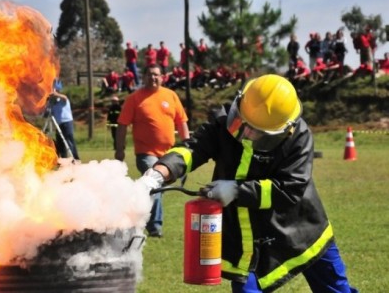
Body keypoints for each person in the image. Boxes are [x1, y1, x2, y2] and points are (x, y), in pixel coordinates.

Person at [137, 74, 358, 292]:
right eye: (242, 122)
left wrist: (236, 190)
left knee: (337, 289)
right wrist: (156, 175)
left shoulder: (298, 137)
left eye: (257, 131)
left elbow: (289, 189)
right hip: (248, 241)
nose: (246, 132)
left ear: (282, 130)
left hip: (301, 228)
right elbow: (192, 149)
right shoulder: (223, 125)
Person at [114, 64, 190, 237]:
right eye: (149, 74)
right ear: (144, 77)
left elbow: (182, 121)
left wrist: (187, 144)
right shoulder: (134, 98)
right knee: (156, 183)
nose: (153, 78)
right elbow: (122, 125)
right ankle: (155, 227)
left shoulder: (170, 96)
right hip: (146, 153)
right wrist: (120, 149)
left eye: (156, 75)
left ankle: (131, 215)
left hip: (168, 154)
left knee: (153, 187)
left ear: (162, 77)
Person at [49, 84, 80, 162]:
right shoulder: (53, 103)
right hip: (58, 124)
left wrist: (56, 94)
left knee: (69, 140)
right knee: (60, 142)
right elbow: (49, 112)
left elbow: (65, 97)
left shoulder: (63, 99)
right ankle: (64, 159)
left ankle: (75, 158)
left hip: (66, 122)